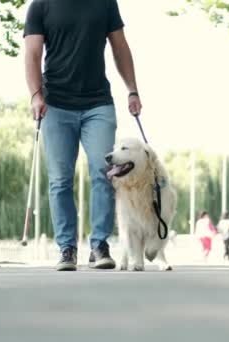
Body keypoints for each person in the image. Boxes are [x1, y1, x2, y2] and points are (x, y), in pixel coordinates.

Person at [23, 0, 142, 271]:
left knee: (104, 171)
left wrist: (132, 89)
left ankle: (99, 244)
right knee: (59, 180)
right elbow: (32, 54)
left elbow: (120, 46)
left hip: (97, 103)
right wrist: (35, 95)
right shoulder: (41, 6)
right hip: (56, 104)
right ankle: (67, 248)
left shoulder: (105, 3)